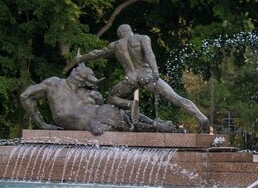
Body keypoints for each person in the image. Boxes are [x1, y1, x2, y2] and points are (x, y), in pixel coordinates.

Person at [74, 24, 210, 132]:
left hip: (130, 79)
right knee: (175, 97)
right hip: (147, 76)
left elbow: (96, 53)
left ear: (120, 33)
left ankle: (129, 104)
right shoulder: (142, 38)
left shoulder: (116, 45)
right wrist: (155, 70)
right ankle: (202, 118)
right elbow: (149, 54)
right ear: (130, 31)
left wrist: (81, 58)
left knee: (111, 98)